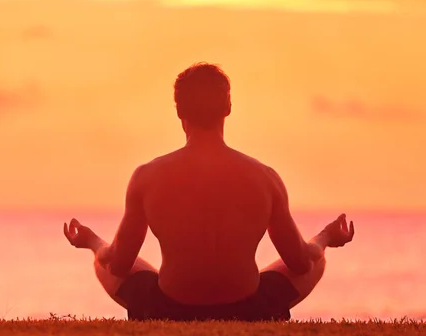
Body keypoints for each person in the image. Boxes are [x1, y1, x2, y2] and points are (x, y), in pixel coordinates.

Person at [63, 62, 355, 321]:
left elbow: (119, 263)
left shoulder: (147, 176)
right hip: (250, 309)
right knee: (318, 260)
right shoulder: (264, 178)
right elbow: (300, 262)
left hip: (167, 308)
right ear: (228, 107)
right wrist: (325, 238)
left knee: (103, 261)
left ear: (179, 111)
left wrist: (92, 242)